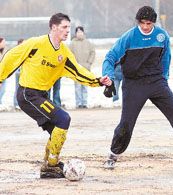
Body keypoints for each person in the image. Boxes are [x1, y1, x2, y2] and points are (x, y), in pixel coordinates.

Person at [0, 13, 111, 178]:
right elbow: (11, 57)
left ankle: (47, 166)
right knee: (63, 119)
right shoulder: (36, 44)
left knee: (57, 130)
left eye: (69, 27)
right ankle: (51, 165)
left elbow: (77, 71)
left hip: (41, 96)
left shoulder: (64, 53)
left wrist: (98, 81)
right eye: (64, 27)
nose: (68, 31)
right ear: (53, 27)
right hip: (27, 94)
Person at [102, 6, 173, 170]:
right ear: (138, 22)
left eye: (149, 23)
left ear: (153, 22)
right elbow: (110, 57)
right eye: (142, 23)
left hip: (156, 81)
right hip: (133, 84)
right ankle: (113, 155)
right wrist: (109, 77)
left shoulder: (161, 36)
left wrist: (164, 79)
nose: (146, 26)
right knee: (126, 123)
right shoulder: (129, 37)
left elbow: (166, 58)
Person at [69, 26, 95, 108]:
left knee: (85, 86)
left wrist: (89, 63)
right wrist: (74, 64)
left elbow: (93, 53)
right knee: (77, 87)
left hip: (86, 68)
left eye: (81, 32)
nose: (79, 33)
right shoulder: (72, 43)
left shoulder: (88, 43)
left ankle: (84, 103)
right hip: (76, 69)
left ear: (83, 33)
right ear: (75, 33)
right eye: (78, 32)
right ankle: (78, 103)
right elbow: (69, 54)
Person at [14, 38, 24, 110]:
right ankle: (16, 104)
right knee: (17, 88)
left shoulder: (23, 50)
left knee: (21, 89)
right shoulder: (18, 51)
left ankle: (19, 104)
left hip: (23, 71)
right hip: (18, 71)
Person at [0, 37, 8, 109]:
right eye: (3, 42)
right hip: (1, 74)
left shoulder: (2, 52)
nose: (5, 44)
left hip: (4, 74)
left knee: (3, 90)